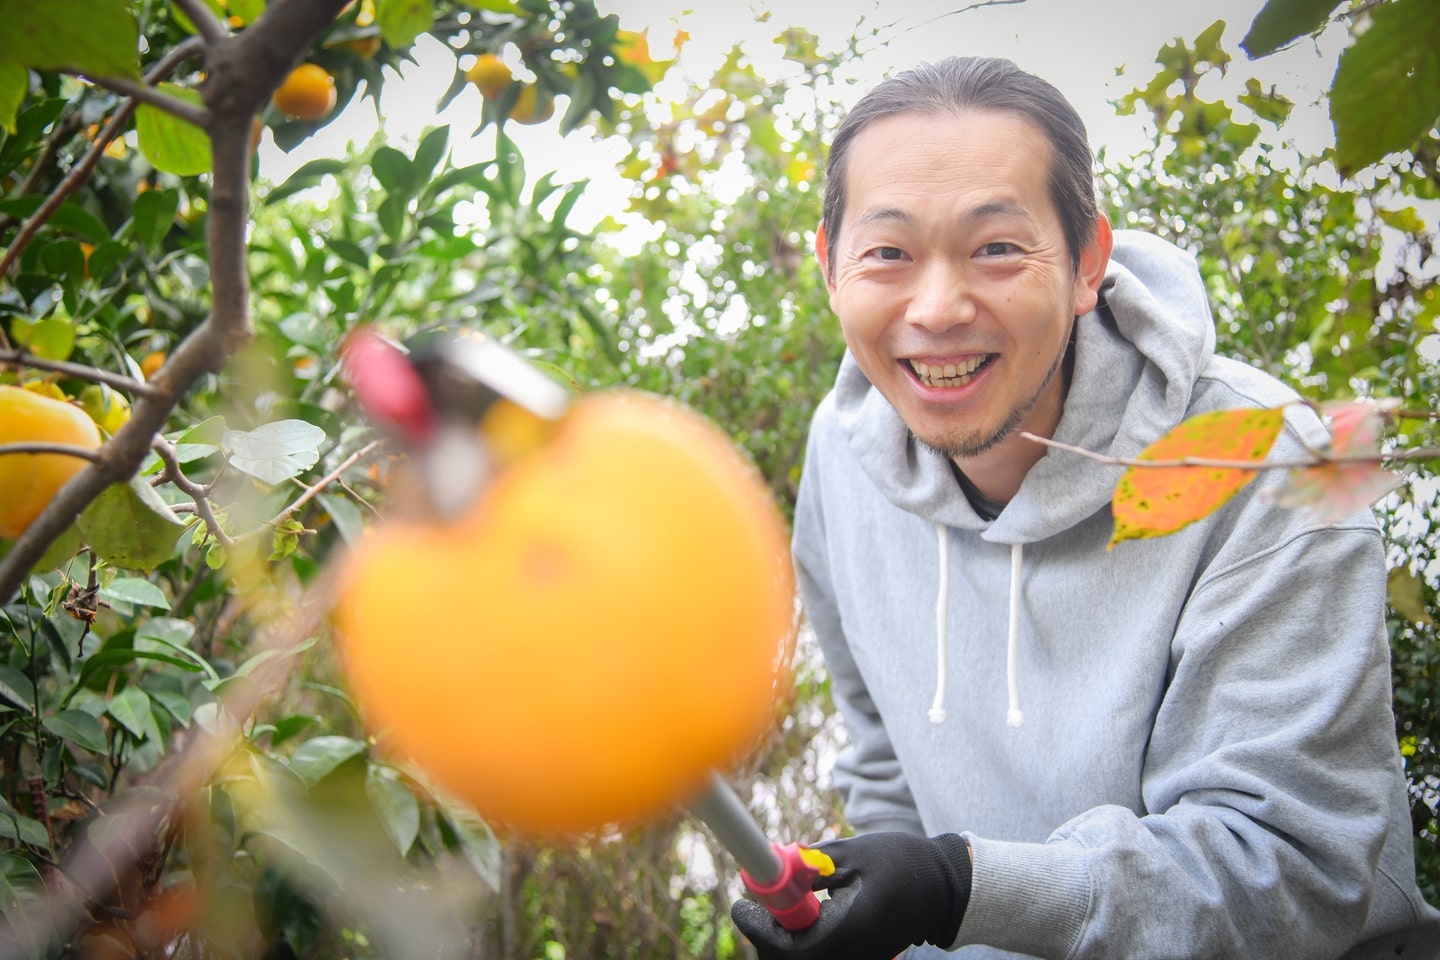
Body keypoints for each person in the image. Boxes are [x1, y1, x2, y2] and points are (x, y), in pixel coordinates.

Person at [729, 56, 1440, 960]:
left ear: (1085, 264)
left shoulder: (1268, 464)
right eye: (888, 253)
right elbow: (882, 775)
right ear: (831, 268)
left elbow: (1293, 873)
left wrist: (957, 889)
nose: (939, 307)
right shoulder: (844, 453)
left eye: (995, 247)